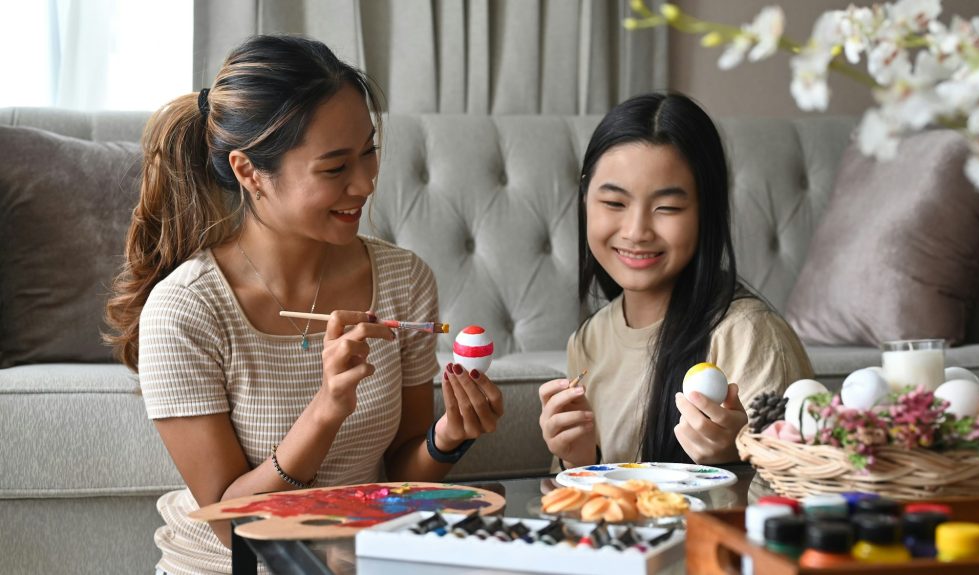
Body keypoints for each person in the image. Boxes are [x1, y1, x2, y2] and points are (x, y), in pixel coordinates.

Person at [105, 35, 503, 575]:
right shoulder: (185, 311)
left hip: (358, 561)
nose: (365, 183)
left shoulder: (402, 280)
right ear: (248, 172)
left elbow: (393, 481)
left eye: (369, 152)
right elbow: (232, 524)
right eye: (335, 168)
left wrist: (449, 435)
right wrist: (327, 408)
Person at [538, 92, 813, 469]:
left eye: (667, 208)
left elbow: (799, 493)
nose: (636, 231)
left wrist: (736, 456)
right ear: (585, 199)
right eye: (615, 204)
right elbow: (589, 512)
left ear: (706, 212)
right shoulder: (588, 341)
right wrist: (579, 460)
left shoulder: (749, 335)